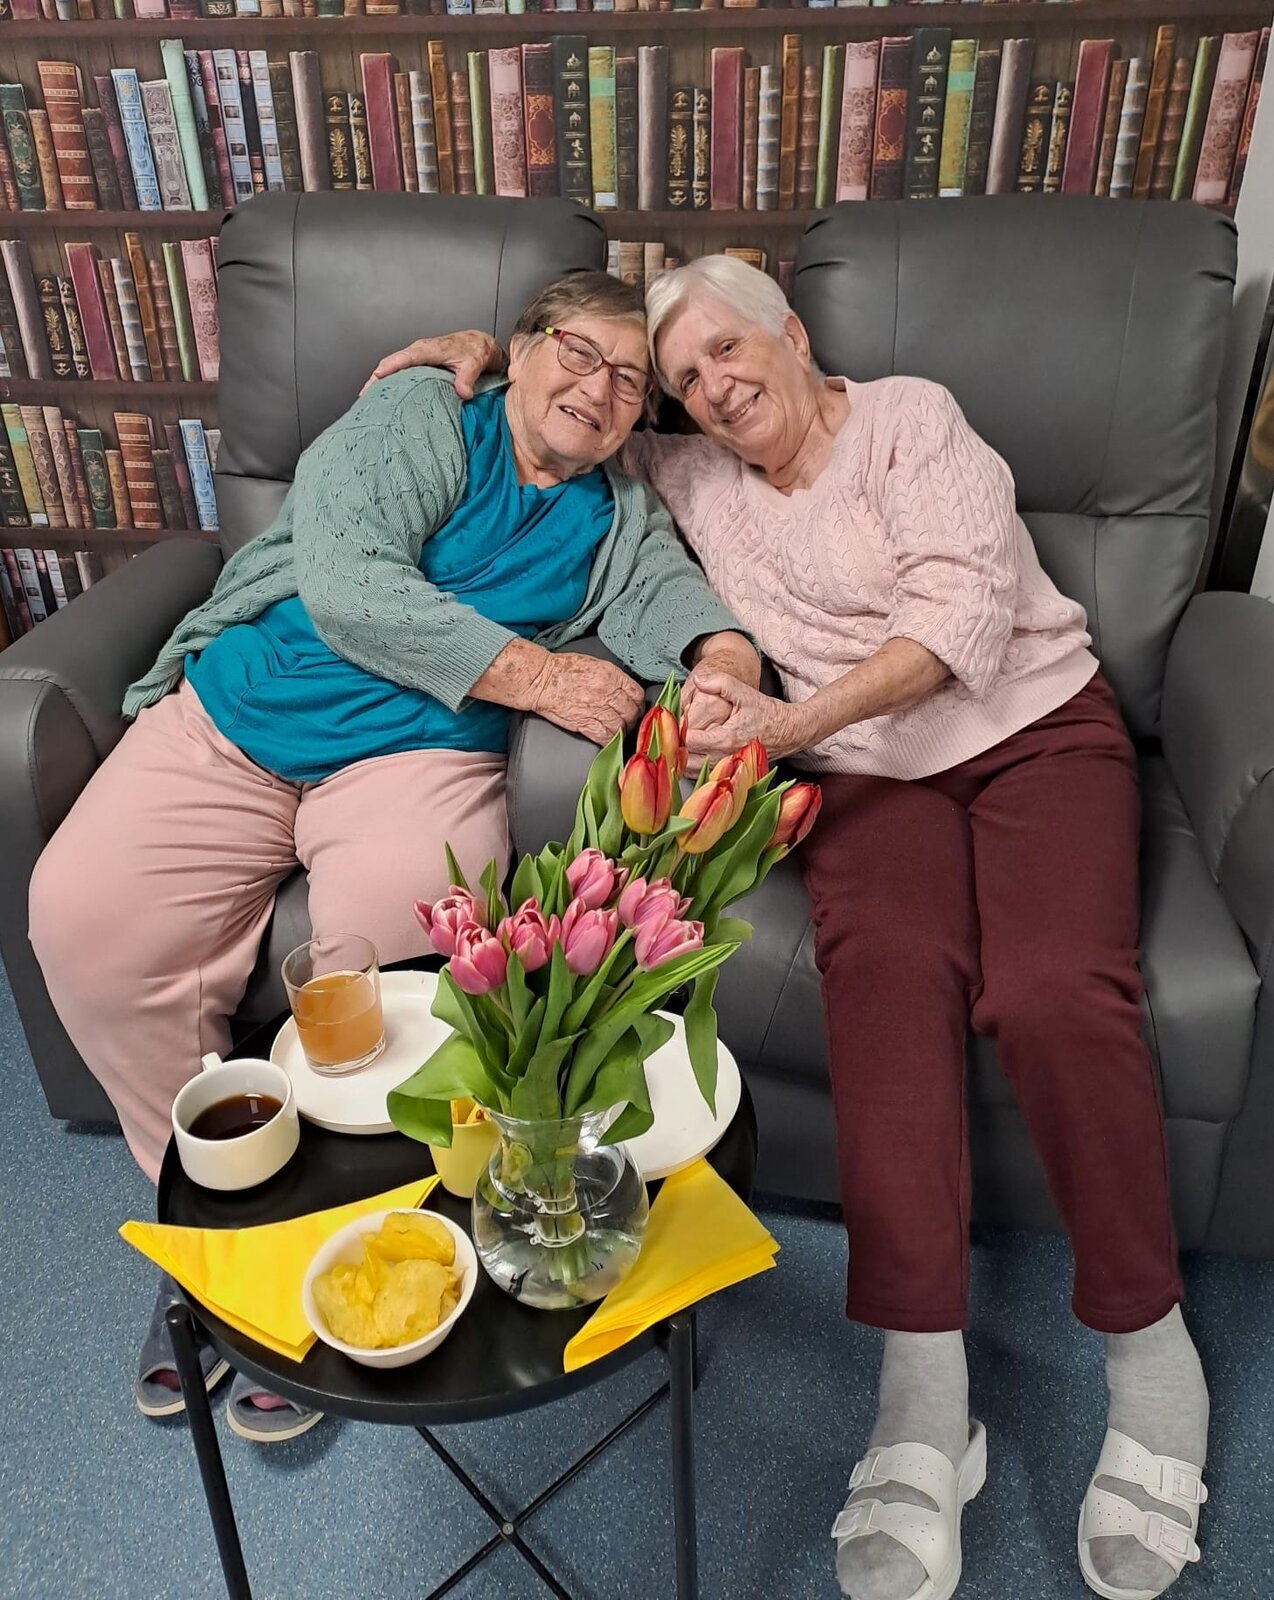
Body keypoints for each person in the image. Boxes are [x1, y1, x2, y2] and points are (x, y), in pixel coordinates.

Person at [364, 253, 1209, 1600]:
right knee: (884, 986)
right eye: (685, 378)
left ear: (795, 336)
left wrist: (788, 724)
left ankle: (1148, 1348)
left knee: (1055, 991)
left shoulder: (911, 418)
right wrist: (478, 348)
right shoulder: (693, 476)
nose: (711, 385)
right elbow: (581, 413)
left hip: (1034, 731)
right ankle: (923, 1390)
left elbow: (961, 617)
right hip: (872, 781)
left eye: (726, 350)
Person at [28, 271, 756, 1444]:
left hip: (415, 755)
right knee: (81, 914)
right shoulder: (423, 410)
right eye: (577, 352)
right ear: (519, 349)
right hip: (241, 714)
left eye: (629, 379)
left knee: (402, 961)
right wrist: (541, 675)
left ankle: (364, 1245)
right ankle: (217, 1242)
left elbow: (676, 601)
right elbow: (350, 582)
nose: (599, 387)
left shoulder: (618, 512)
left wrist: (724, 659)